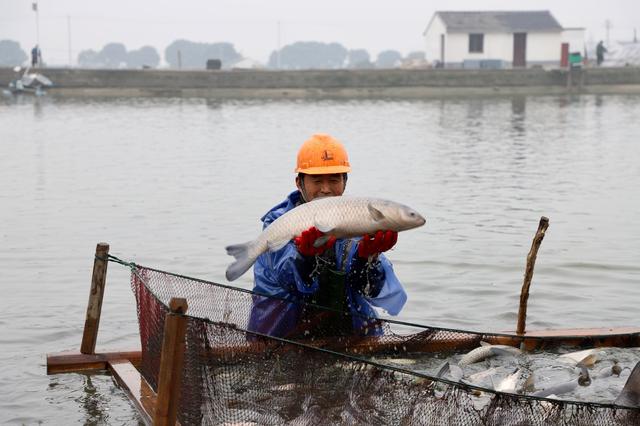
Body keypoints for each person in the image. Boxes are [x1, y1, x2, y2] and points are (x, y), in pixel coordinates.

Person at [247, 133, 407, 338]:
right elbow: (289, 282)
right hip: (282, 334)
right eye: (316, 180)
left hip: (346, 334)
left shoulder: (355, 221)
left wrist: (368, 258)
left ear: (345, 182)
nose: (326, 189)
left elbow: (372, 290)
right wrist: (305, 258)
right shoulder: (278, 222)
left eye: (334, 180)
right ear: (299, 182)